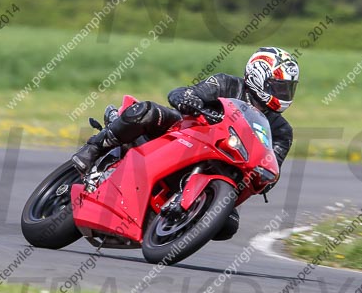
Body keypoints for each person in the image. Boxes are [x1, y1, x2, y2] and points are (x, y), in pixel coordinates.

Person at [70, 46, 299, 240]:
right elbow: (185, 93)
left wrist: (266, 178)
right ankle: (94, 148)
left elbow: (272, 165)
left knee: (228, 225)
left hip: (227, 166)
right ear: (258, 76)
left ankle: (168, 223)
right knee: (146, 112)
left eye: (288, 88)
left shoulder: (282, 131)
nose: (284, 93)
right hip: (187, 132)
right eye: (279, 86)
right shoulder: (227, 84)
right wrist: (188, 99)